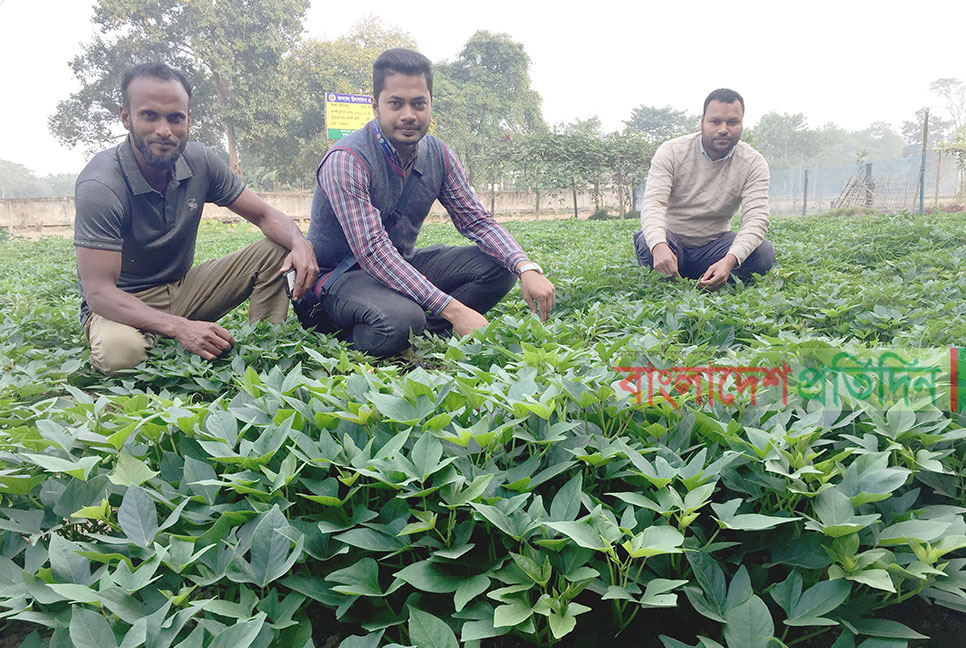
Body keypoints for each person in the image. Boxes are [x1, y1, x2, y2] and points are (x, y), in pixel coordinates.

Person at [302, 48, 555, 357]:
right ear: (375, 106)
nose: (409, 114)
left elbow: (477, 221)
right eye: (396, 103)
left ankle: (419, 328)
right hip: (340, 279)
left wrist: (525, 266)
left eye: (418, 103)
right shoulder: (347, 160)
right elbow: (374, 253)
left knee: (499, 267)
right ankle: (388, 329)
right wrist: (455, 309)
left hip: (401, 265)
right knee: (400, 321)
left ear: (430, 105)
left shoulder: (437, 154)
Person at [74, 62, 318, 374]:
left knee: (277, 249)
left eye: (175, 118)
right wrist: (179, 328)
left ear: (189, 119)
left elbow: (265, 214)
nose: (164, 130)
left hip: (182, 288)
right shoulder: (102, 184)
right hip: (122, 303)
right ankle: (159, 336)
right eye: (149, 115)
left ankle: (263, 349)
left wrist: (300, 242)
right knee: (121, 354)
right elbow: (98, 292)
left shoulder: (200, 161)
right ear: (126, 117)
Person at [633, 88, 775, 290]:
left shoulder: (753, 162)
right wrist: (659, 245)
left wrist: (730, 260)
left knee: (763, 253)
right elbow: (654, 203)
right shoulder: (671, 151)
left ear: (742, 122)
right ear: (702, 121)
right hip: (673, 242)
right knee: (649, 245)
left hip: (714, 247)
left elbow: (756, 217)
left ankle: (716, 272)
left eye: (732, 122)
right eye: (715, 121)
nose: (723, 129)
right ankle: (669, 263)